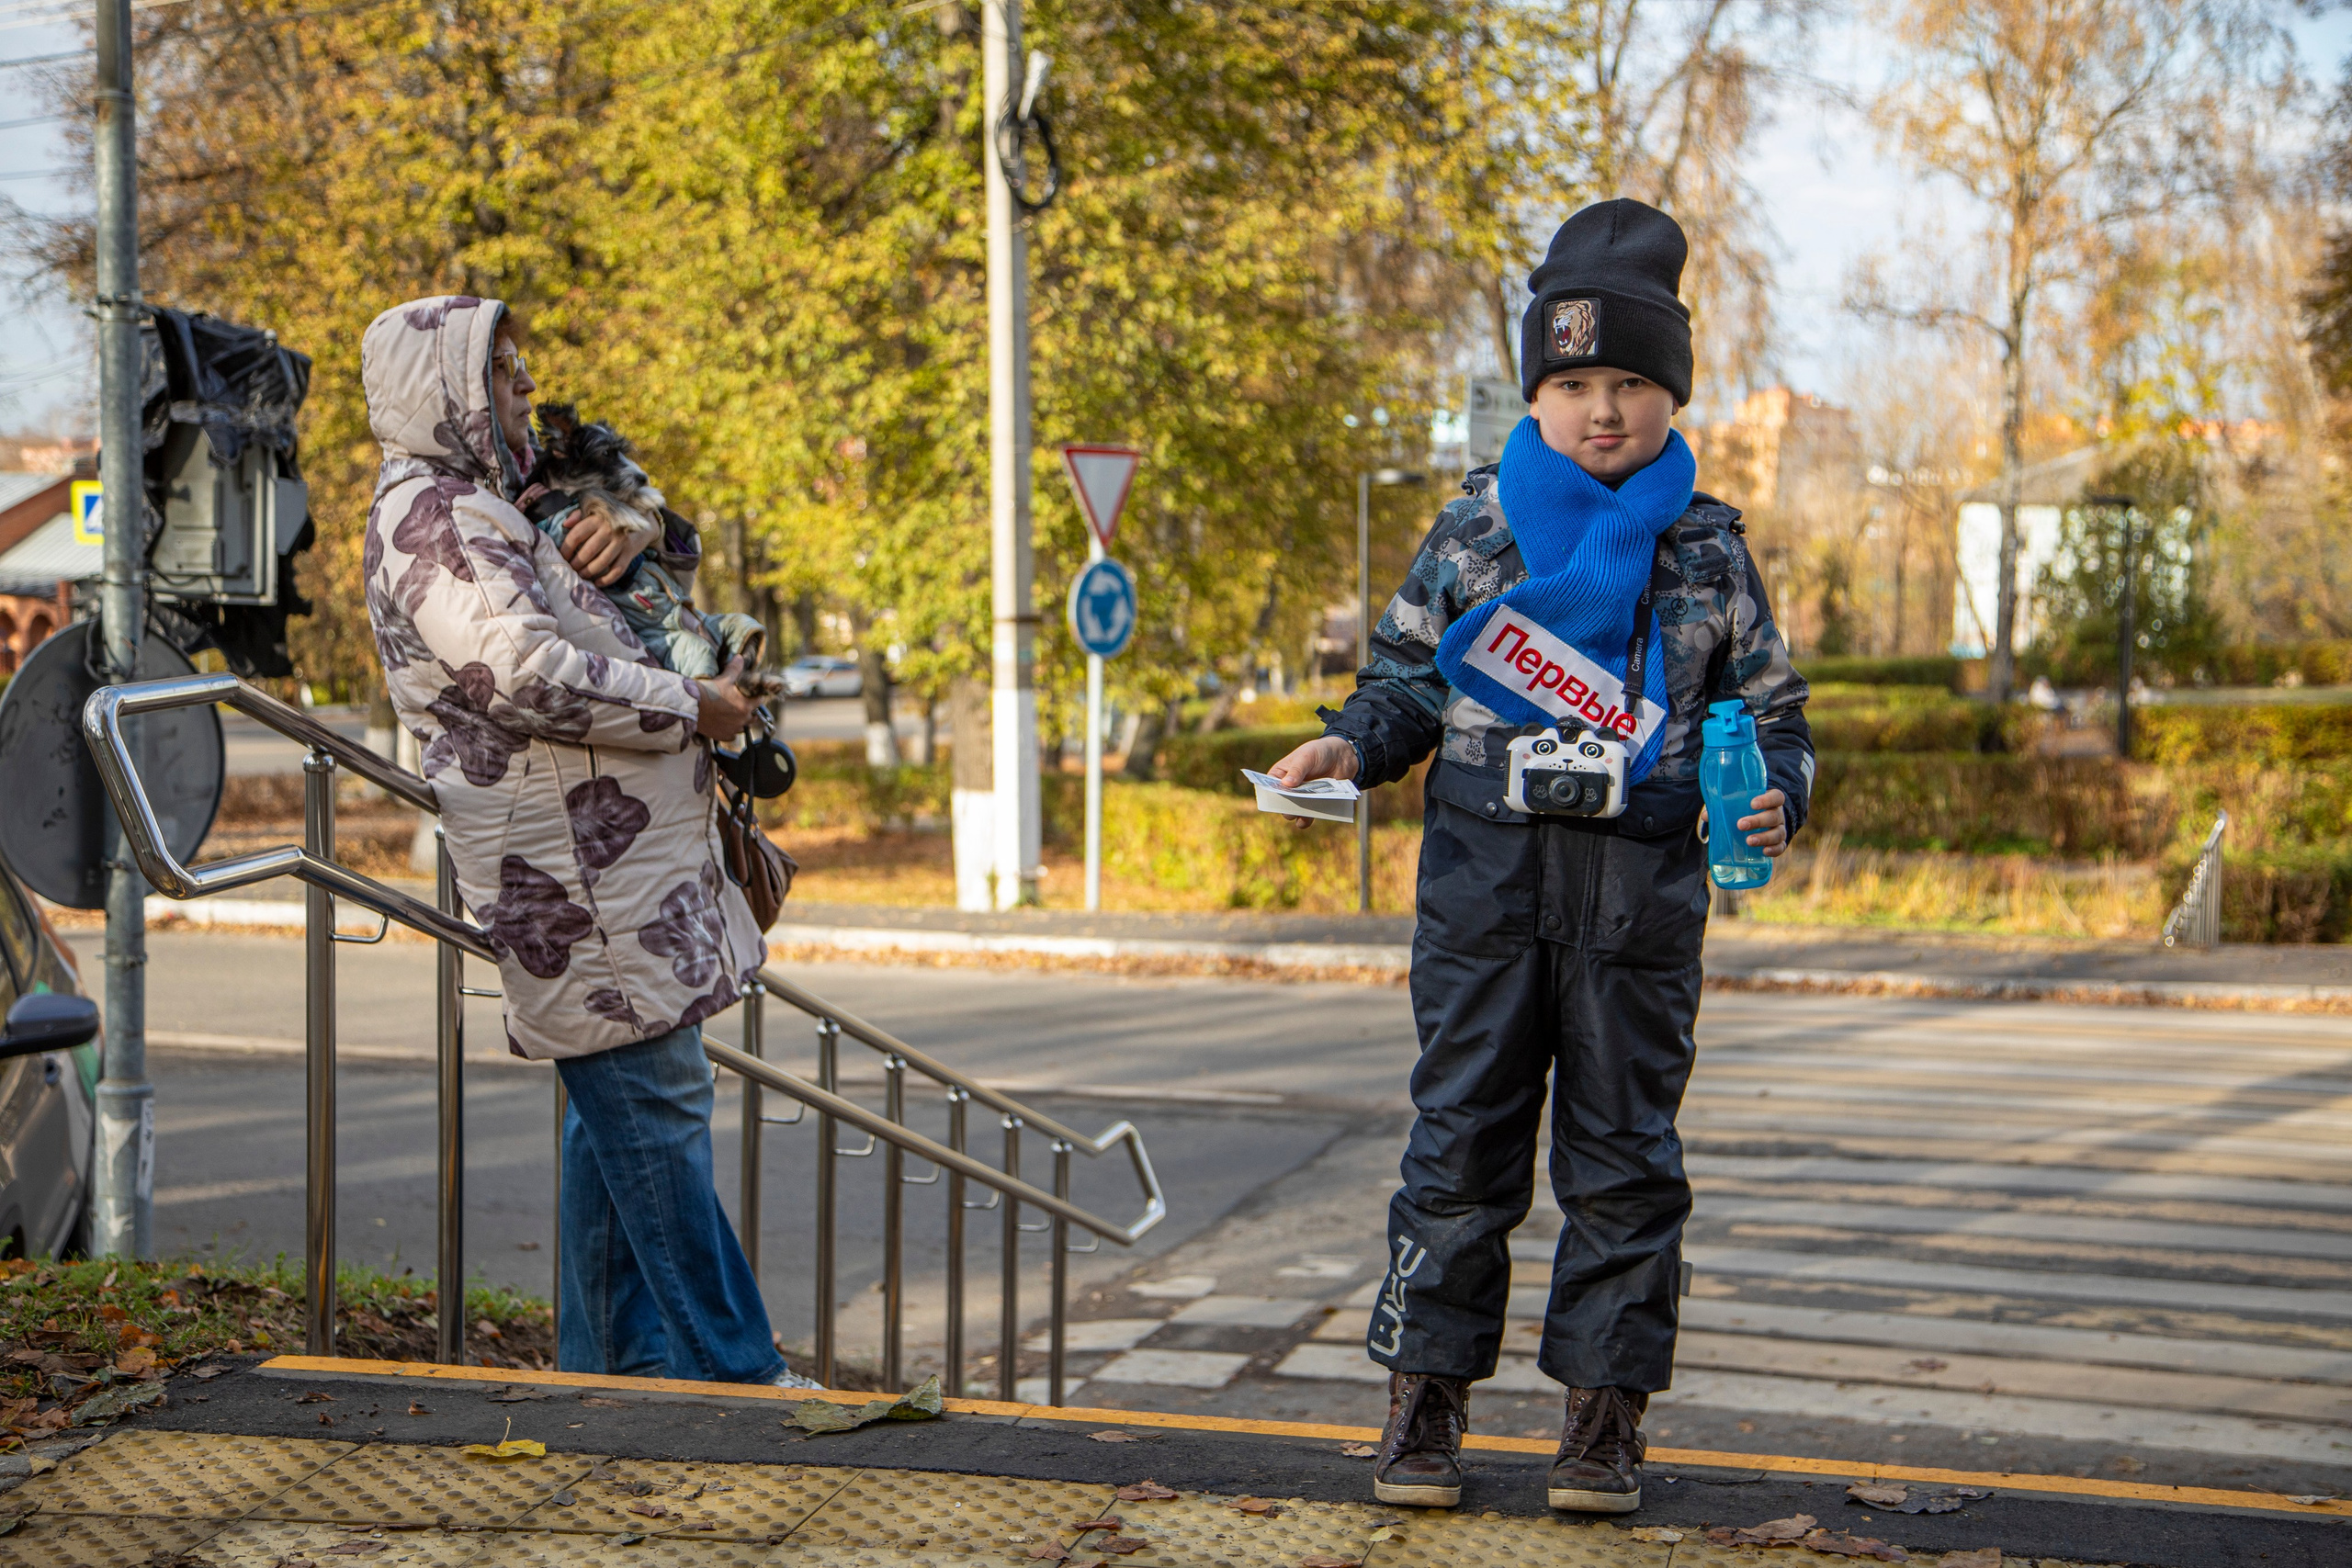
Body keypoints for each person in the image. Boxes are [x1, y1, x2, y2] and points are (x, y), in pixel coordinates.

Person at [1265, 200, 1812, 1515]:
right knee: (1458, 1155)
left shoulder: (1710, 546)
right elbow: (1397, 683)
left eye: (1630, 381)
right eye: (1573, 383)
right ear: (1537, 391)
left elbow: (1778, 714)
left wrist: (1777, 794)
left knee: (1625, 1168)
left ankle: (1603, 1425)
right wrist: (1346, 746)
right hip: (1483, 902)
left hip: (1640, 909)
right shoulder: (1474, 538)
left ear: (1670, 392)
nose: (1603, 409)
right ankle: (1425, 1405)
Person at [359, 295, 818, 1388]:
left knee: (616, 1124)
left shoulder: (490, 498)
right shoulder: (437, 520)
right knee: (655, 1114)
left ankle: (608, 1376)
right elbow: (519, 674)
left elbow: (653, 539)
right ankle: (737, 1378)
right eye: (502, 372)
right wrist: (687, 706)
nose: (524, 386)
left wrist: (642, 527)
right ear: (449, 392)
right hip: (577, 877)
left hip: (608, 870)